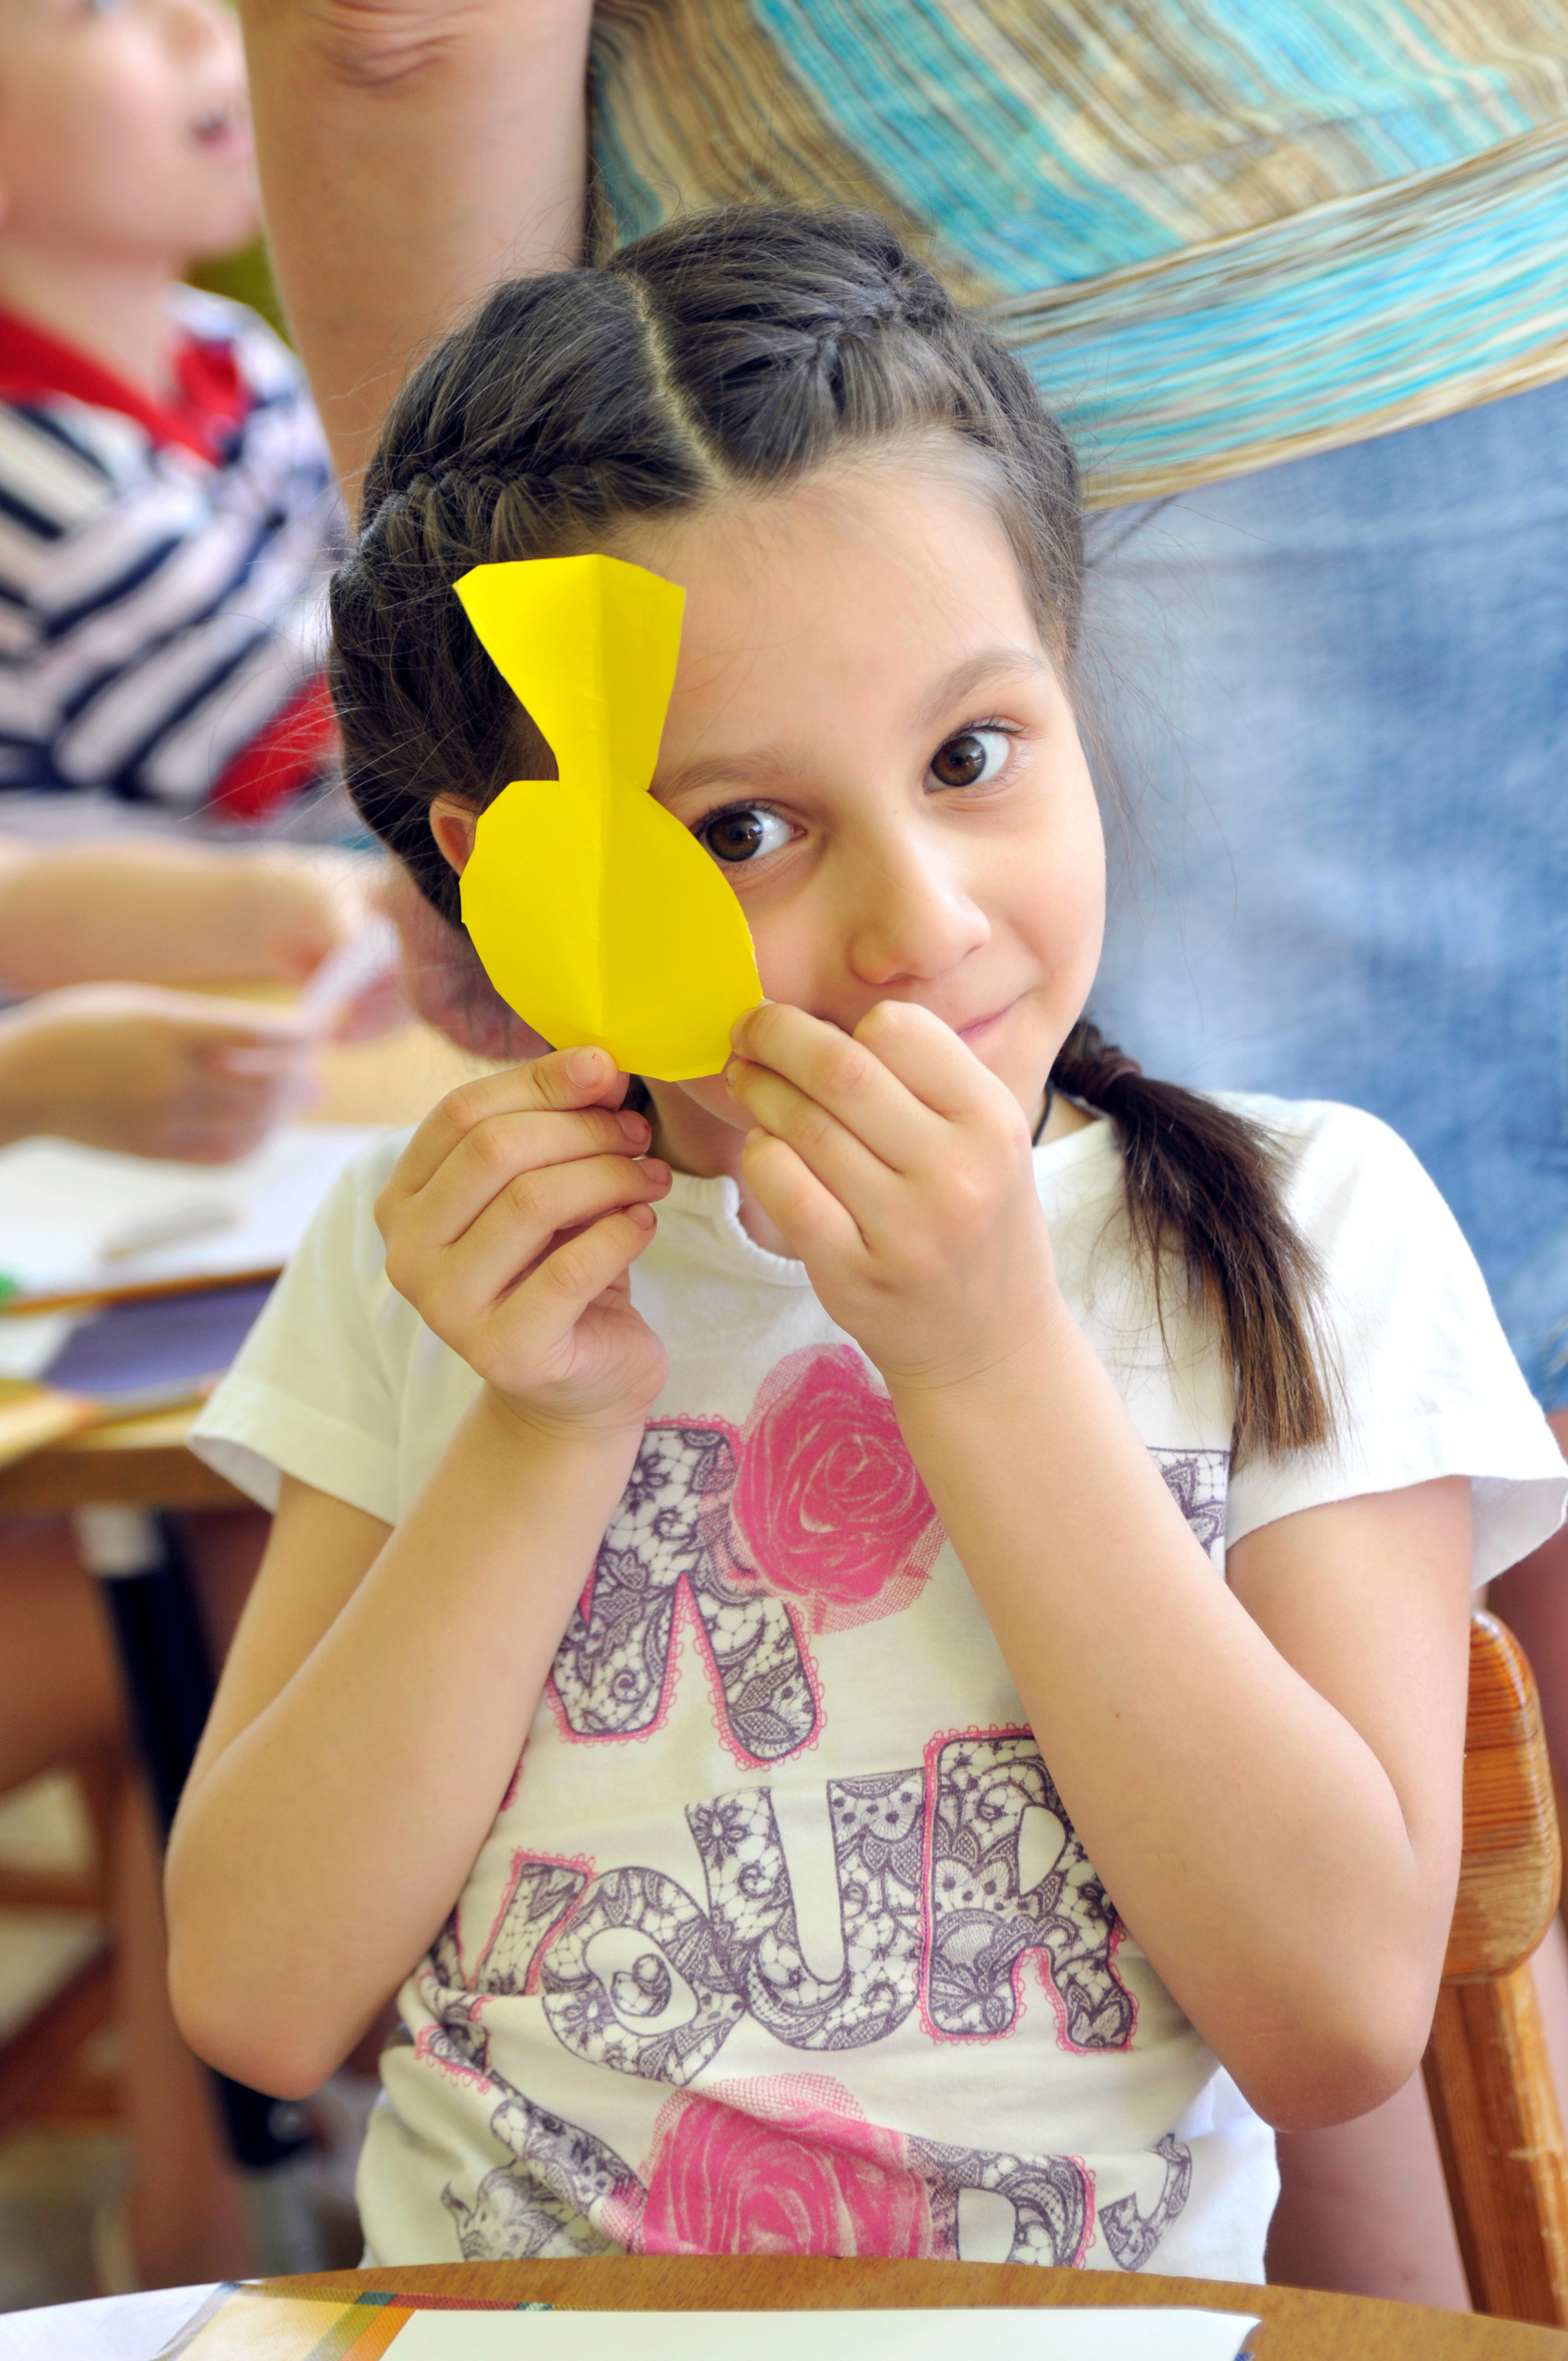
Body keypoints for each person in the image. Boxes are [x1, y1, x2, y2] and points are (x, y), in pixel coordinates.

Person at [161, 209, 1564, 2282]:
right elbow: (265, 1999)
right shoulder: (438, 1265)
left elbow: (1340, 2011)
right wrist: (541, 1430)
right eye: (742, 828)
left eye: (971, 755)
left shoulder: (1297, 1226)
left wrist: (987, 1358)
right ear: (502, 872)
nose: (922, 919)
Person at [0, 0, 343, 817]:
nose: (202, 21)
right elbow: (332, 754)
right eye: (101, 7)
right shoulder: (41, 486)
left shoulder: (223, 343)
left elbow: (366, 556)